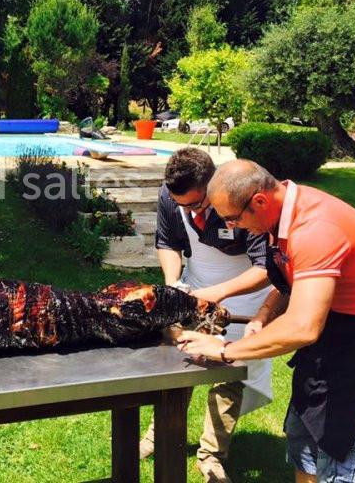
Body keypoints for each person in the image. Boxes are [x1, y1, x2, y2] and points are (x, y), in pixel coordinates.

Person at [178, 159, 355, 483]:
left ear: (260, 201)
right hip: (330, 331)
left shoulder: (316, 228)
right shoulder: (279, 218)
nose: (232, 227)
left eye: (233, 218)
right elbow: (291, 280)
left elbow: (303, 326)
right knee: (304, 439)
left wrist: (227, 350)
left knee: (345, 454)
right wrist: (265, 315)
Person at [141, 148, 272, 483]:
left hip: (244, 292)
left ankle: (212, 455)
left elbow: (266, 268)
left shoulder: (240, 198)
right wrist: (174, 284)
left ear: (215, 189)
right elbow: (167, 242)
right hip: (196, 284)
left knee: (229, 372)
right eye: (178, 203)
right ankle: (159, 435)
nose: (185, 210)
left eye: (195, 204)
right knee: (180, 360)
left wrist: (216, 295)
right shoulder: (173, 194)